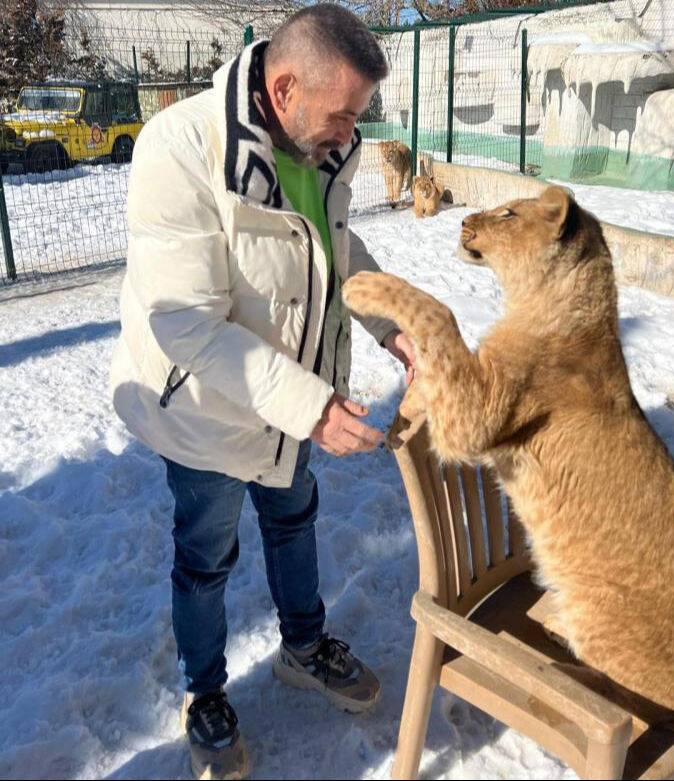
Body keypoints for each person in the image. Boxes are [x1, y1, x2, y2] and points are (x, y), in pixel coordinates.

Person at [110, 5, 415, 778]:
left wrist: (393, 324)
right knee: (206, 556)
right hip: (206, 409)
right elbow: (186, 324)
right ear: (282, 89)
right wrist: (311, 405)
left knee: (293, 520)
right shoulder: (178, 149)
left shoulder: (319, 145)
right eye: (344, 113)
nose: (352, 133)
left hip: (293, 400)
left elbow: (338, 247)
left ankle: (304, 646)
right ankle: (205, 691)